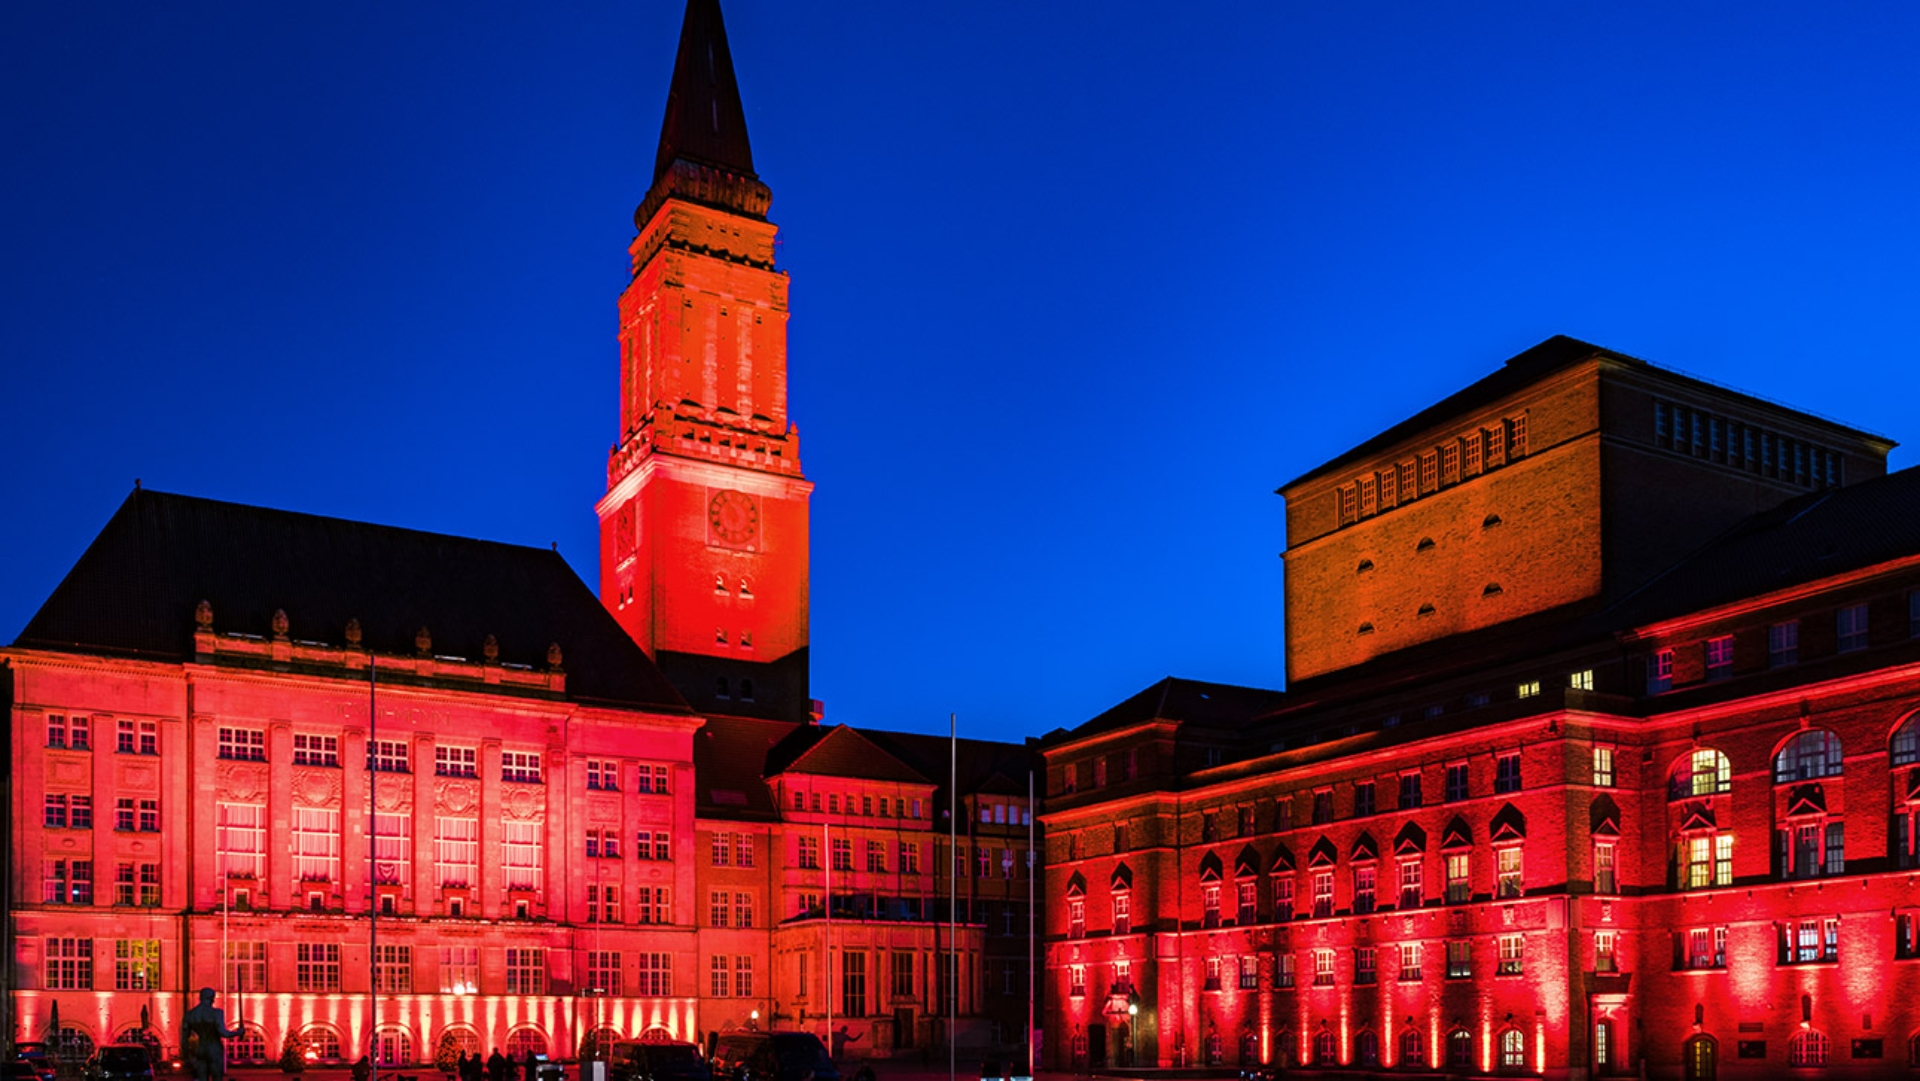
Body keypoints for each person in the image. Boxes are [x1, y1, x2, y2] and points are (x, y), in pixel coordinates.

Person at [181, 988, 245, 1081]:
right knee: (217, 1077)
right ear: (211, 998)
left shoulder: (190, 1015)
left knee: (202, 1078)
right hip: (214, 1048)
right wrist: (238, 1032)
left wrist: (186, 1056)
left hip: (201, 1049)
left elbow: (184, 1039)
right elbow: (223, 1033)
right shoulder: (216, 1013)